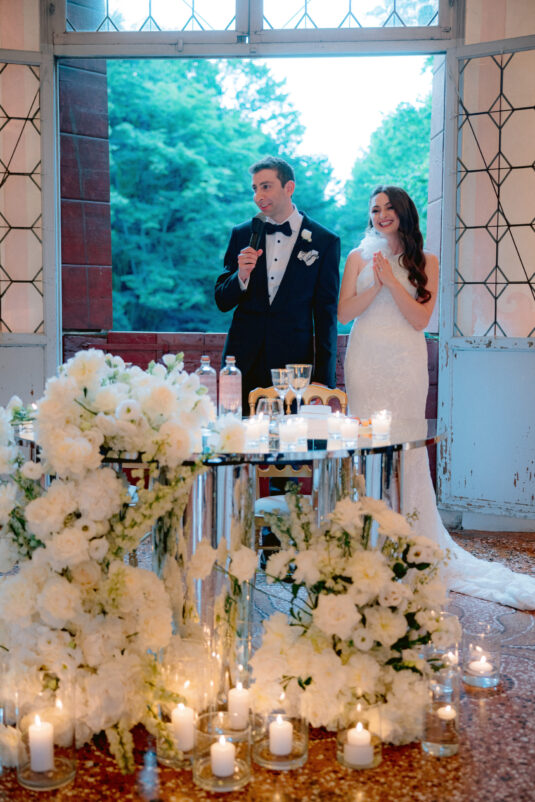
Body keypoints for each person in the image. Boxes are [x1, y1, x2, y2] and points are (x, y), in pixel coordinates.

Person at [339, 185, 535, 610]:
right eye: (374, 209)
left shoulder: (426, 261)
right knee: (367, 446)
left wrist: (392, 282)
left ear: (403, 212)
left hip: (404, 363)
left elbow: (420, 320)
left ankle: (412, 536)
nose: (381, 214)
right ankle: (368, 539)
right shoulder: (356, 257)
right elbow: (344, 313)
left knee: (406, 447)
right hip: (365, 360)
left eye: (389, 208)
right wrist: (376, 284)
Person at [215, 156, 340, 413]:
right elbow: (222, 300)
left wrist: (323, 379)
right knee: (237, 435)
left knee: (291, 436)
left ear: (289, 187)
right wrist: (241, 275)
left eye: (266, 186)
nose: (258, 196)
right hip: (243, 362)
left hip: (294, 368)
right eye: (255, 188)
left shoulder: (324, 241)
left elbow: (326, 316)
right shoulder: (242, 233)